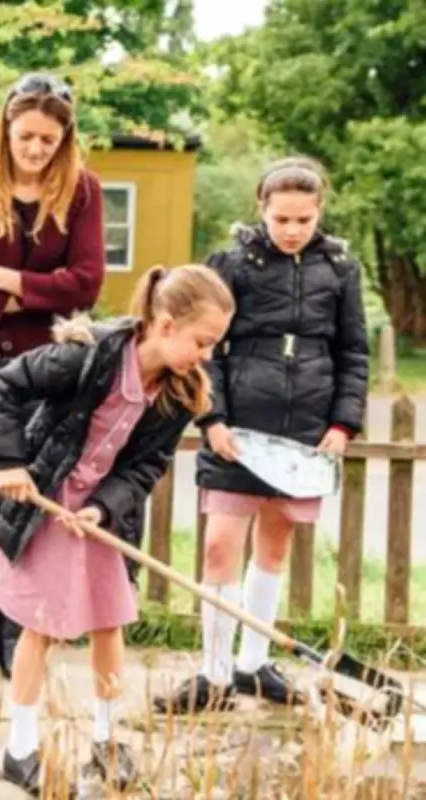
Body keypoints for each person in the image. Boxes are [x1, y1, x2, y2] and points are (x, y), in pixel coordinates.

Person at [0, 264, 234, 794]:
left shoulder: (182, 392)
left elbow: (145, 466)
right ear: (163, 325)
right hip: (45, 503)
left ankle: (108, 738)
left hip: (94, 516)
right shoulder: (86, 354)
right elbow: (7, 385)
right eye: (202, 342)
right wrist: (7, 462)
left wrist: (105, 508)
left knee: (109, 622)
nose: (207, 355)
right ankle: (20, 747)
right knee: (41, 626)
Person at [154, 157, 369, 716]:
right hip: (238, 429)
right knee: (221, 546)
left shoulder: (342, 268)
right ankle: (214, 672)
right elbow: (208, 351)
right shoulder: (231, 263)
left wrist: (343, 425)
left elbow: (353, 352)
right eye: (281, 219)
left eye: (304, 218)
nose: (293, 229)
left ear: (319, 211)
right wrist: (213, 419)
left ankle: (253, 664)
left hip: (305, 433)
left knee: (273, 547)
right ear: (261, 210)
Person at [0, 71, 106, 684]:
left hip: (44, 375)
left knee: (30, 500)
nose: (35, 150)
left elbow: (86, 284)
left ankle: (15, 630)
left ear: (65, 139)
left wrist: (2, 279)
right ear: (5, 128)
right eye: (26, 136)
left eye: (48, 140)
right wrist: (41, 293)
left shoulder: (81, 193)